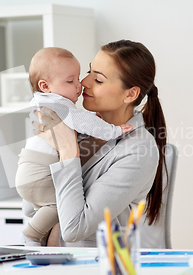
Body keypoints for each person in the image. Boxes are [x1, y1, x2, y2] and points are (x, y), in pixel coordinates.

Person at [28, 39, 168, 247]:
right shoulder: (77, 125)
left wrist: (68, 151)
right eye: (89, 72)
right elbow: (31, 207)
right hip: (49, 262)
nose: (83, 83)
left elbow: (74, 229)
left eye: (99, 80)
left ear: (130, 94)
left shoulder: (139, 150)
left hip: (96, 268)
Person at [15, 47, 134, 246]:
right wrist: (113, 131)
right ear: (45, 86)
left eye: (78, 78)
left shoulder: (42, 102)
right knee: (59, 203)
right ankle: (30, 235)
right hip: (39, 172)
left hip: (29, 168)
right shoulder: (59, 106)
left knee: (52, 205)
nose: (80, 85)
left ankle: (38, 239)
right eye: (71, 81)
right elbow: (85, 121)